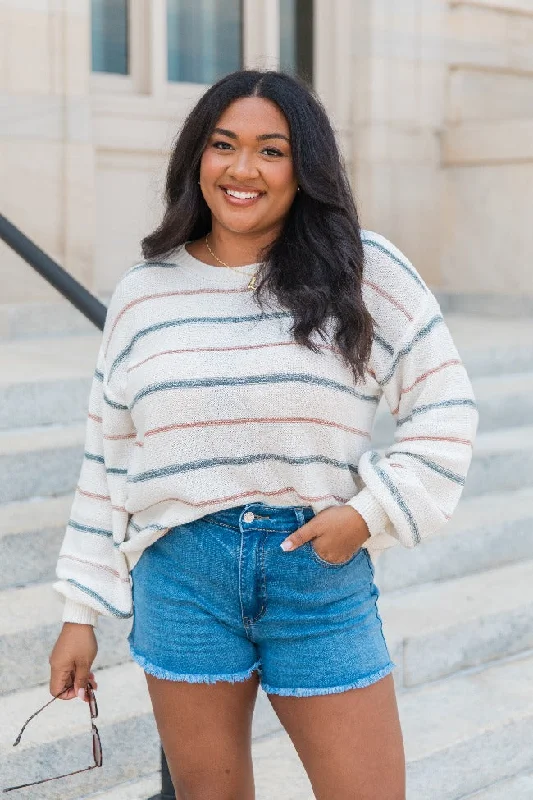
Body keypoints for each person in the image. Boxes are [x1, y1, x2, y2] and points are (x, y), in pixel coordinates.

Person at [49, 69, 478, 800]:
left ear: (303, 168)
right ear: (197, 158)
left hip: (316, 571)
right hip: (181, 577)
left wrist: (365, 515)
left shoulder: (363, 272)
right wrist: (78, 612)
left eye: (270, 150)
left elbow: (445, 411)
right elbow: (107, 459)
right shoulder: (144, 294)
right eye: (223, 145)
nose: (241, 169)